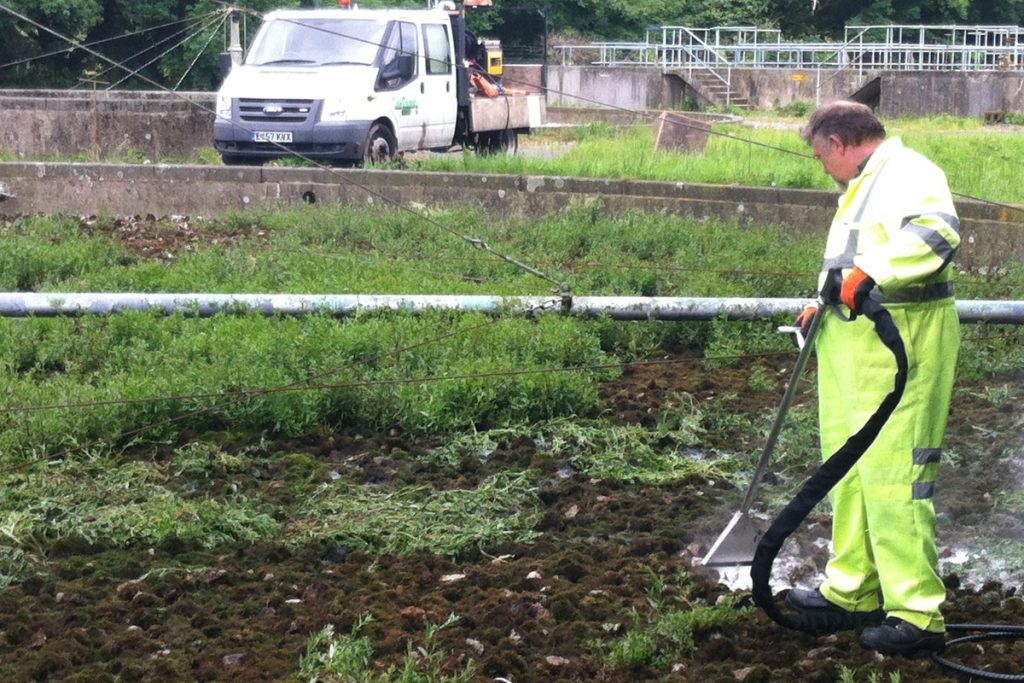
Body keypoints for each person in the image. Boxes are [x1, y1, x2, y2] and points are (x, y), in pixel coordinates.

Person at [785, 101, 961, 656]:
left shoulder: (911, 173)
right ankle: (852, 590)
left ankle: (916, 611)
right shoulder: (865, 185)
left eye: (819, 156)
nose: (821, 167)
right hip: (851, 346)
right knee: (848, 467)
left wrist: (870, 276)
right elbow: (851, 261)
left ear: (837, 142)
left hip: (900, 341)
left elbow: (937, 234)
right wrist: (825, 301)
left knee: (894, 474)